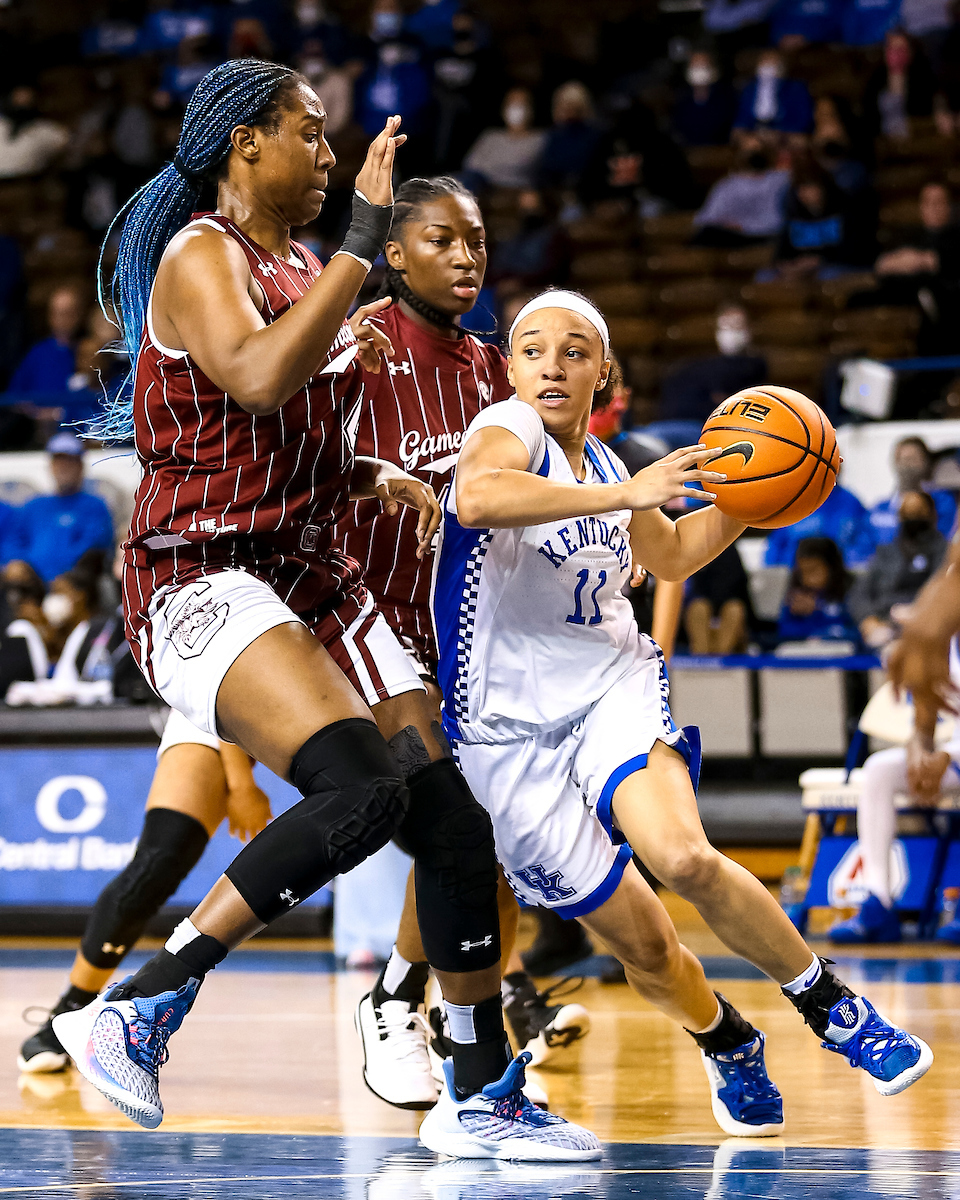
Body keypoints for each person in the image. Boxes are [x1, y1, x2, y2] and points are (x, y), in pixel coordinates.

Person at [50, 59, 598, 1162]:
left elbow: (282, 434)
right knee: (357, 793)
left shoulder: (301, 262)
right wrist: (359, 254)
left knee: (452, 822)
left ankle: (481, 1087)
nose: (330, 154)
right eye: (309, 132)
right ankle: (139, 1007)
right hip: (202, 573)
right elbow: (253, 379)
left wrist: (364, 475)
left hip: (311, 571)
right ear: (245, 143)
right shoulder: (203, 254)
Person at [429, 287, 932, 1138]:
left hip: (610, 686)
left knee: (684, 856)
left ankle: (835, 1008)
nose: (553, 362)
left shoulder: (611, 466)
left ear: (603, 371)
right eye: (533, 348)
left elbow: (670, 554)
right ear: (510, 369)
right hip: (505, 734)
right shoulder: (504, 432)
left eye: (575, 349)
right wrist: (630, 495)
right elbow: (477, 499)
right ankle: (727, 1039)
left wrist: (758, 497)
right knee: (648, 948)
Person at [333, 175, 588, 1106]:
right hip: (363, 620)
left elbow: (548, 475)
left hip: (464, 631)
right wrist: (376, 480)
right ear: (394, 254)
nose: (466, 257)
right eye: (441, 240)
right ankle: (400, 999)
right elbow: (301, 461)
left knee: (503, 845)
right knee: (457, 828)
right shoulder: (357, 340)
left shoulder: (494, 365)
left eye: (476, 241)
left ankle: (458, 1022)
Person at [19, 712, 273, 1073]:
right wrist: (241, 782)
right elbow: (227, 677)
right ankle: (70, 1010)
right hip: (227, 705)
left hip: (337, 704)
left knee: (374, 810)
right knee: (155, 867)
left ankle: (385, 990)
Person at [653, 305, 767, 445]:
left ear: (749, 329)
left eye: (736, 325)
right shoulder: (694, 365)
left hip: (702, 429)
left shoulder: (752, 366)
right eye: (725, 326)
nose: (730, 333)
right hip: (668, 424)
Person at [849, 491, 947, 651]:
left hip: (927, 626)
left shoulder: (945, 553)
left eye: (918, 512)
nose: (913, 518)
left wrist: (916, 616)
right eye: (907, 513)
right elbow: (858, 594)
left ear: (932, 515)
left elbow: (944, 594)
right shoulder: (885, 553)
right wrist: (867, 619)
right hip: (886, 623)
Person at [11, 433, 114, 584]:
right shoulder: (33, 506)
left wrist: (64, 575)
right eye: (58, 462)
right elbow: (15, 542)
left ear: (80, 466)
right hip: (33, 585)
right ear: (51, 466)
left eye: (69, 462)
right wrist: (19, 565)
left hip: (76, 584)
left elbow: (93, 549)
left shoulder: (94, 505)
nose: (63, 468)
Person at [692, 141, 791, 248]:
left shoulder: (780, 180)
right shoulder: (727, 184)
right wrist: (727, 224)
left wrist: (743, 226)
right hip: (727, 233)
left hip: (764, 234)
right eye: (748, 150)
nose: (751, 153)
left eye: (756, 150)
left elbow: (776, 221)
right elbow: (706, 218)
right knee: (706, 235)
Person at [764, 478, 876, 569]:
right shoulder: (792, 502)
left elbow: (865, 541)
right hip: (795, 577)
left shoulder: (851, 503)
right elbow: (776, 545)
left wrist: (844, 567)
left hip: (840, 579)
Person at [869, 436, 957, 547]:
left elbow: (944, 539)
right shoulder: (880, 508)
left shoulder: (942, 502)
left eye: (913, 459)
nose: (907, 466)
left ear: (926, 463)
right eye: (902, 459)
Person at [776, 537, 859, 646]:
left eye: (813, 570)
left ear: (832, 567)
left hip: (843, 655)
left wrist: (819, 609)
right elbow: (783, 632)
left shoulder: (852, 589)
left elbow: (858, 632)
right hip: (802, 656)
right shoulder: (795, 595)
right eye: (802, 572)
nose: (807, 579)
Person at [462, 87, 546, 191]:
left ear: (531, 109)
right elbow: (471, 164)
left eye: (521, 104)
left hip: (515, 190)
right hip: (481, 186)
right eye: (511, 104)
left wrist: (491, 169)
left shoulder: (539, 139)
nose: (516, 109)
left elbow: (519, 167)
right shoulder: (491, 136)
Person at [684, 545, 754, 655]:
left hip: (727, 605)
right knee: (698, 608)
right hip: (698, 606)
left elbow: (739, 588)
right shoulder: (694, 549)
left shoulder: (730, 553)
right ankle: (700, 657)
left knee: (734, 609)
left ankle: (722, 659)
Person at [535, 81, 600, 193]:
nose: (568, 108)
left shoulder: (594, 135)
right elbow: (545, 168)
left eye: (572, 103)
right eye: (564, 103)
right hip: (553, 190)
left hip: (585, 189)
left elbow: (587, 167)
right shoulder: (552, 135)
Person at [732, 49, 814, 137]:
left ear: (782, 67)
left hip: (784, 131)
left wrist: (782, 132)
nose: (768, 66)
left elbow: (803, 117)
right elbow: (742, 115)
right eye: (764, 61)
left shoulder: (795, 88)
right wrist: (740, 129)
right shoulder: (749, 88)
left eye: (772, 63)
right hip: (755, 129)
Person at [671, 51, 739, 147]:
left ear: (713, 69)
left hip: (719, 150)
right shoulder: (681, 98)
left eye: (703, 66)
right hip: (688, 150)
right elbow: (678, 128)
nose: (699, 71)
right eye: (695, 66)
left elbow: (728, 127)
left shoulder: (727, 97)